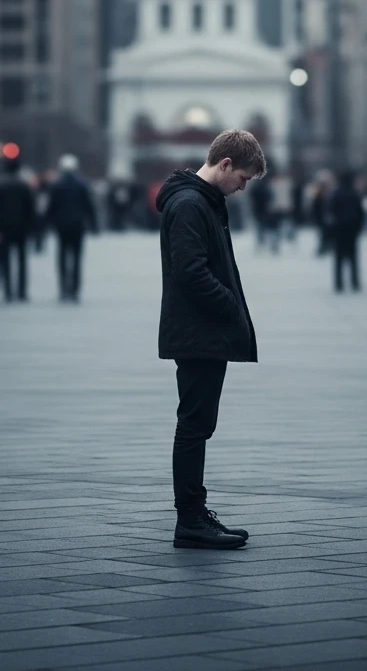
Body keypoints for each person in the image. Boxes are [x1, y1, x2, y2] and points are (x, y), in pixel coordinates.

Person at [155, 129, 264, 550]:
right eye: (243, 178)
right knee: (194, 425)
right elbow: (191, 272)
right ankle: (191, 520)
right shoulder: (189, 204)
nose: (242, 188)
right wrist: (229, 305)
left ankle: (195, 515)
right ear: (225, 165)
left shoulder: (200, 200)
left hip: (200, 330)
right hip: (198, 331)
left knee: (198, 424)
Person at [45, 155, 98, 302]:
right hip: (78, 225)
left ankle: (63, 289)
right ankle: (75, 289)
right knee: (76, 258)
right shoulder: (82, 184)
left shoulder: (56, 185)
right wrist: (94, 225)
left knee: (62, 258)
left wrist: (46, 224)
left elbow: (51, 207)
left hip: (61, 226)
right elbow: (89, 206)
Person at [0, 161, 36, 301]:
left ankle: (8, 290)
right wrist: (31, 227)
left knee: (6, 260)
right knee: (22, 260)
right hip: (21, 228)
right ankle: (21, 290)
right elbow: (30, 209)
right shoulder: (24, 187)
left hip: (4, 228)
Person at [329, 170, 365, 291]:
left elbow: (331, 211)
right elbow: (361, 212)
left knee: (339, 258)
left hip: (339, 229)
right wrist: (359, 227)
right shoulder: (355, 193)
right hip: (352, 229)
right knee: (353, 257)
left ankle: (339, 283)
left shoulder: (336, 193)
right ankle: (355, 282)